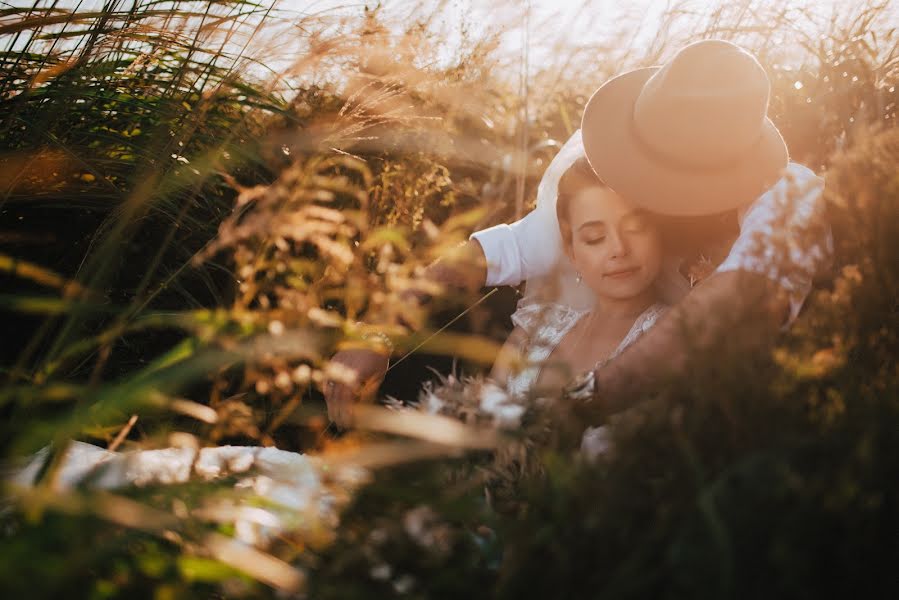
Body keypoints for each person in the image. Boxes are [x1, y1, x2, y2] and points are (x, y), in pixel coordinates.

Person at [324, 39, 831, 426]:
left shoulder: (788, 201)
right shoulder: (611, 186)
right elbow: (484, 255)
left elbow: (737, 300)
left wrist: (577, 406)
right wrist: (378, 332)